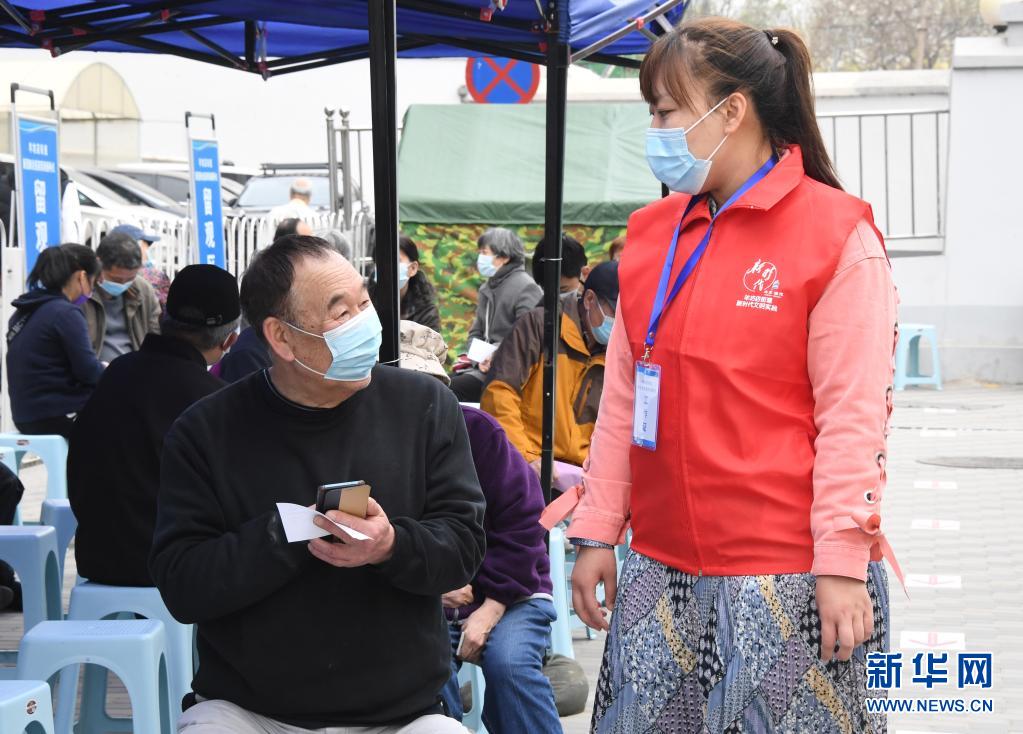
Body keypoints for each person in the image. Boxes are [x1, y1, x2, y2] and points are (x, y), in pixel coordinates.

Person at [557, 19, 902, 733]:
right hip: (659, 570)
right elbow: (622, 398)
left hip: (787, 576)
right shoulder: (652, 233)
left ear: (731, 111)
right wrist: (596, 531)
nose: (653, 129)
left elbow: (852, 415)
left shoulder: (836, 235)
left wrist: (840, 558)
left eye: (663, 111)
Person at [150, 235, 485, 732]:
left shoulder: (425, 407)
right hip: (250, 710)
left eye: (364, 303)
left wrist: (390, 545)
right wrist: (289, 532)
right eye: (339, 313)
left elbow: (464, 546)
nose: (364, 324)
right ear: (280, 338)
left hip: (402, 712)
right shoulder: (206, 430)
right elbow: (183, 585)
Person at [397, 321, 560, 733]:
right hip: (419, 602)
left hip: (515, 592)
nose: (417, 398)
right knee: (422, 673)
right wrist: (429, 583)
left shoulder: (480, 434)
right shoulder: (370, 443)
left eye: (427, 384)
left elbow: (527, 525)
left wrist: (492, 605)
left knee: (510, 665)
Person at [68, 265, 239, 587]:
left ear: (162, 317)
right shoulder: (214, 400)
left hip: (99, 558)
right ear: (228, 341)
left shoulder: (115, 373)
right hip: (173, 568)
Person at [482, 261, 619, 477]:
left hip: (582, 478)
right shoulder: (541, 326)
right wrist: (525, 457)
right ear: (590, 299)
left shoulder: (619, 353)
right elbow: (499, 394)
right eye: (616, 311)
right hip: (528, 465)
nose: (621, 322)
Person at [5, 244, 104, 439]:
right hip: (59, 415)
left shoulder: (23, 312)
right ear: (82, 276)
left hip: (25, 416)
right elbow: (88, 371)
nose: (92, 288)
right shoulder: (66, 313)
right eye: (93, 281)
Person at [450, 228, 541, 403]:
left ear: (504, 257)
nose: (480, 258)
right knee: (440, 383)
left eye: (485, 253)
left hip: (509, 370)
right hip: (481, 367)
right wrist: (479, 360)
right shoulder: (488, 287)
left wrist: (495, 355)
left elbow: (527, 337)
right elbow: (475, 333)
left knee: (448, 390)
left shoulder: (526, 287)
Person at [83, 230, 161, 363]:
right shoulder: (82, 292)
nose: (123, 284)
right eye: (116, 279)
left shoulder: (143, 290)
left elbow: (155, 338)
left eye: (130, 279)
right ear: (98, 264)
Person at [370, 235, 441, 334]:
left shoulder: (426, 312)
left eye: (396, 261)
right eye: (381, 260)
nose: (387, 266)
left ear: (412, 268)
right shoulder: (365, 303)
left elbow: (429, 347)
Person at [109, 223, 171, 308]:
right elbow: (165, 310)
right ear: (136, 248)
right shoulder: (155, 276)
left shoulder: (104, 276)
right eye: (145, 245)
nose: (147, 249)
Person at [531, 233, 588, 298]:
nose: (554, 298)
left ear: (585, 273)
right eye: (545, 291)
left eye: (563, 290)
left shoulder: (598, 305)